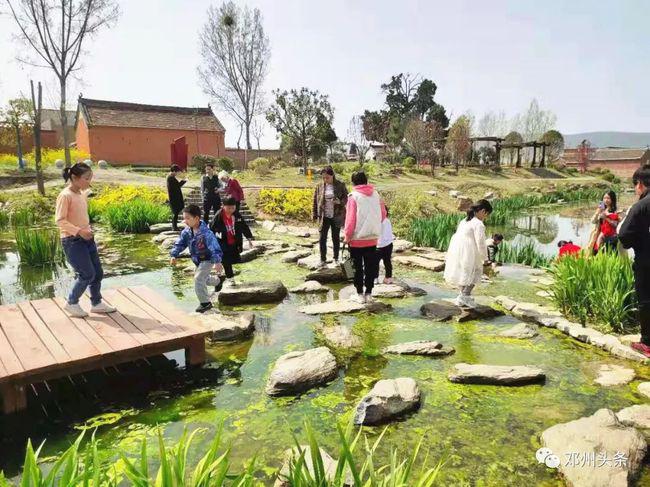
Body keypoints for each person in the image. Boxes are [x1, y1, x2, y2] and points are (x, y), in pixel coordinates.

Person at [55, 162, 116, 318]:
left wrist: (87, 230)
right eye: (86, 178)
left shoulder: (80, 194)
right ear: (74, 178)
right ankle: (71, 302)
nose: (89, 182)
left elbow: (80, 217)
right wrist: (79, 231)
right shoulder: (65, 195)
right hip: (72, 241)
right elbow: (60, 220)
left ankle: (96, 303)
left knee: (98, 273)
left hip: (87, 239)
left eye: (90, 178)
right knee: (86, 274)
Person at [619, 164, 650, 357]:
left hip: (646, 261)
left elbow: (624, 235)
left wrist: (636, 242)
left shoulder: (640, 206)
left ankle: (647, 342)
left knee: (646, 300)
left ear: (640, 184)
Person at [170, 204, 223, 313]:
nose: (185, 221)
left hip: (208, 259)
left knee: (198, 278)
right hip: (197, 260)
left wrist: (217, 262)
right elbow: (180, 244)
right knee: (205, 279)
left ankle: (205, 303)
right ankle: (218, 281)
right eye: (184, 218)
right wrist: (174, 254)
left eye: (188, 218)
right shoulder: (186, 232)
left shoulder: (206, 233)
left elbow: (214, 247)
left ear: (197, 218)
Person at [343, 171, 386, 303]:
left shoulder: (353, 196)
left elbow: (350, 219)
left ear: (353, 182)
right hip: (372, 238)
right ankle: (369, 294)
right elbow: (383, 214)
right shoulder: (376, 195)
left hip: (357, 239)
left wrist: (347, 236)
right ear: (366, 181)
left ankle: (360, 295)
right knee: (370, 267)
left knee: (357, 268)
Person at [444, 199, 493, 308]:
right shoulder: (478, 224)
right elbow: (481, 243)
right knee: (476, 271)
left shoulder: (465, 220)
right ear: (483, 211)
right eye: (486, 214)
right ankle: (465, 296)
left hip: (458, 250)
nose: (485, 217)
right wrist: (485, 258)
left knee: (464, 272)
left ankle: (462, 297)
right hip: (469, 251)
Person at [210, 196, 254, 286]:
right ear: (223, 206)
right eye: (228, 208)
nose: (231, 210)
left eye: (233, 208)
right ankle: (230, 278)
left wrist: (249, 237)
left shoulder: (236, 214)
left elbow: (244, 226)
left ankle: (222, 274)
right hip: (222, 241)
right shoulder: (218, 216)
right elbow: (211, 229)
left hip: (234, 240)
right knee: (226, 260)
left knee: (233, 259)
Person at [312, 166, 348, 266]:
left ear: (332, 176)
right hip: (323, 216)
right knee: (322, 238)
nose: (325, 179)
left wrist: (339, 202)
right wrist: (314, 214)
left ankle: (336, 258)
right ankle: (322, 259)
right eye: (323, 177)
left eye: (327, 177)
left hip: (336, 215)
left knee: (335, 237)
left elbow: (346, 198)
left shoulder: (340, 185)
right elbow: (315, 200)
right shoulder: (319, 186)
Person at [376, 206, 394, 284]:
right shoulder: (385, 221)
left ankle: (387, 277)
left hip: (383, 245)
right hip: (383, 245)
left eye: (383, 211)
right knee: (381, 262)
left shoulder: (385, 221)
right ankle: (378, 277)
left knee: (385, 262)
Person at [166, 164, 186, 231]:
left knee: (176, 212)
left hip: (175, 197)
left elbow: (177, 186)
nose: (177, 173)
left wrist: (183, 181)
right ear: (174, 171)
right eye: (177, 172)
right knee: (175, 213)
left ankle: (175, 227)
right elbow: (177, 186)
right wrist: (183, 181)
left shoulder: (171, 177)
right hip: (174, 198)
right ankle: (174, 227)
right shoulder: (170, 178)